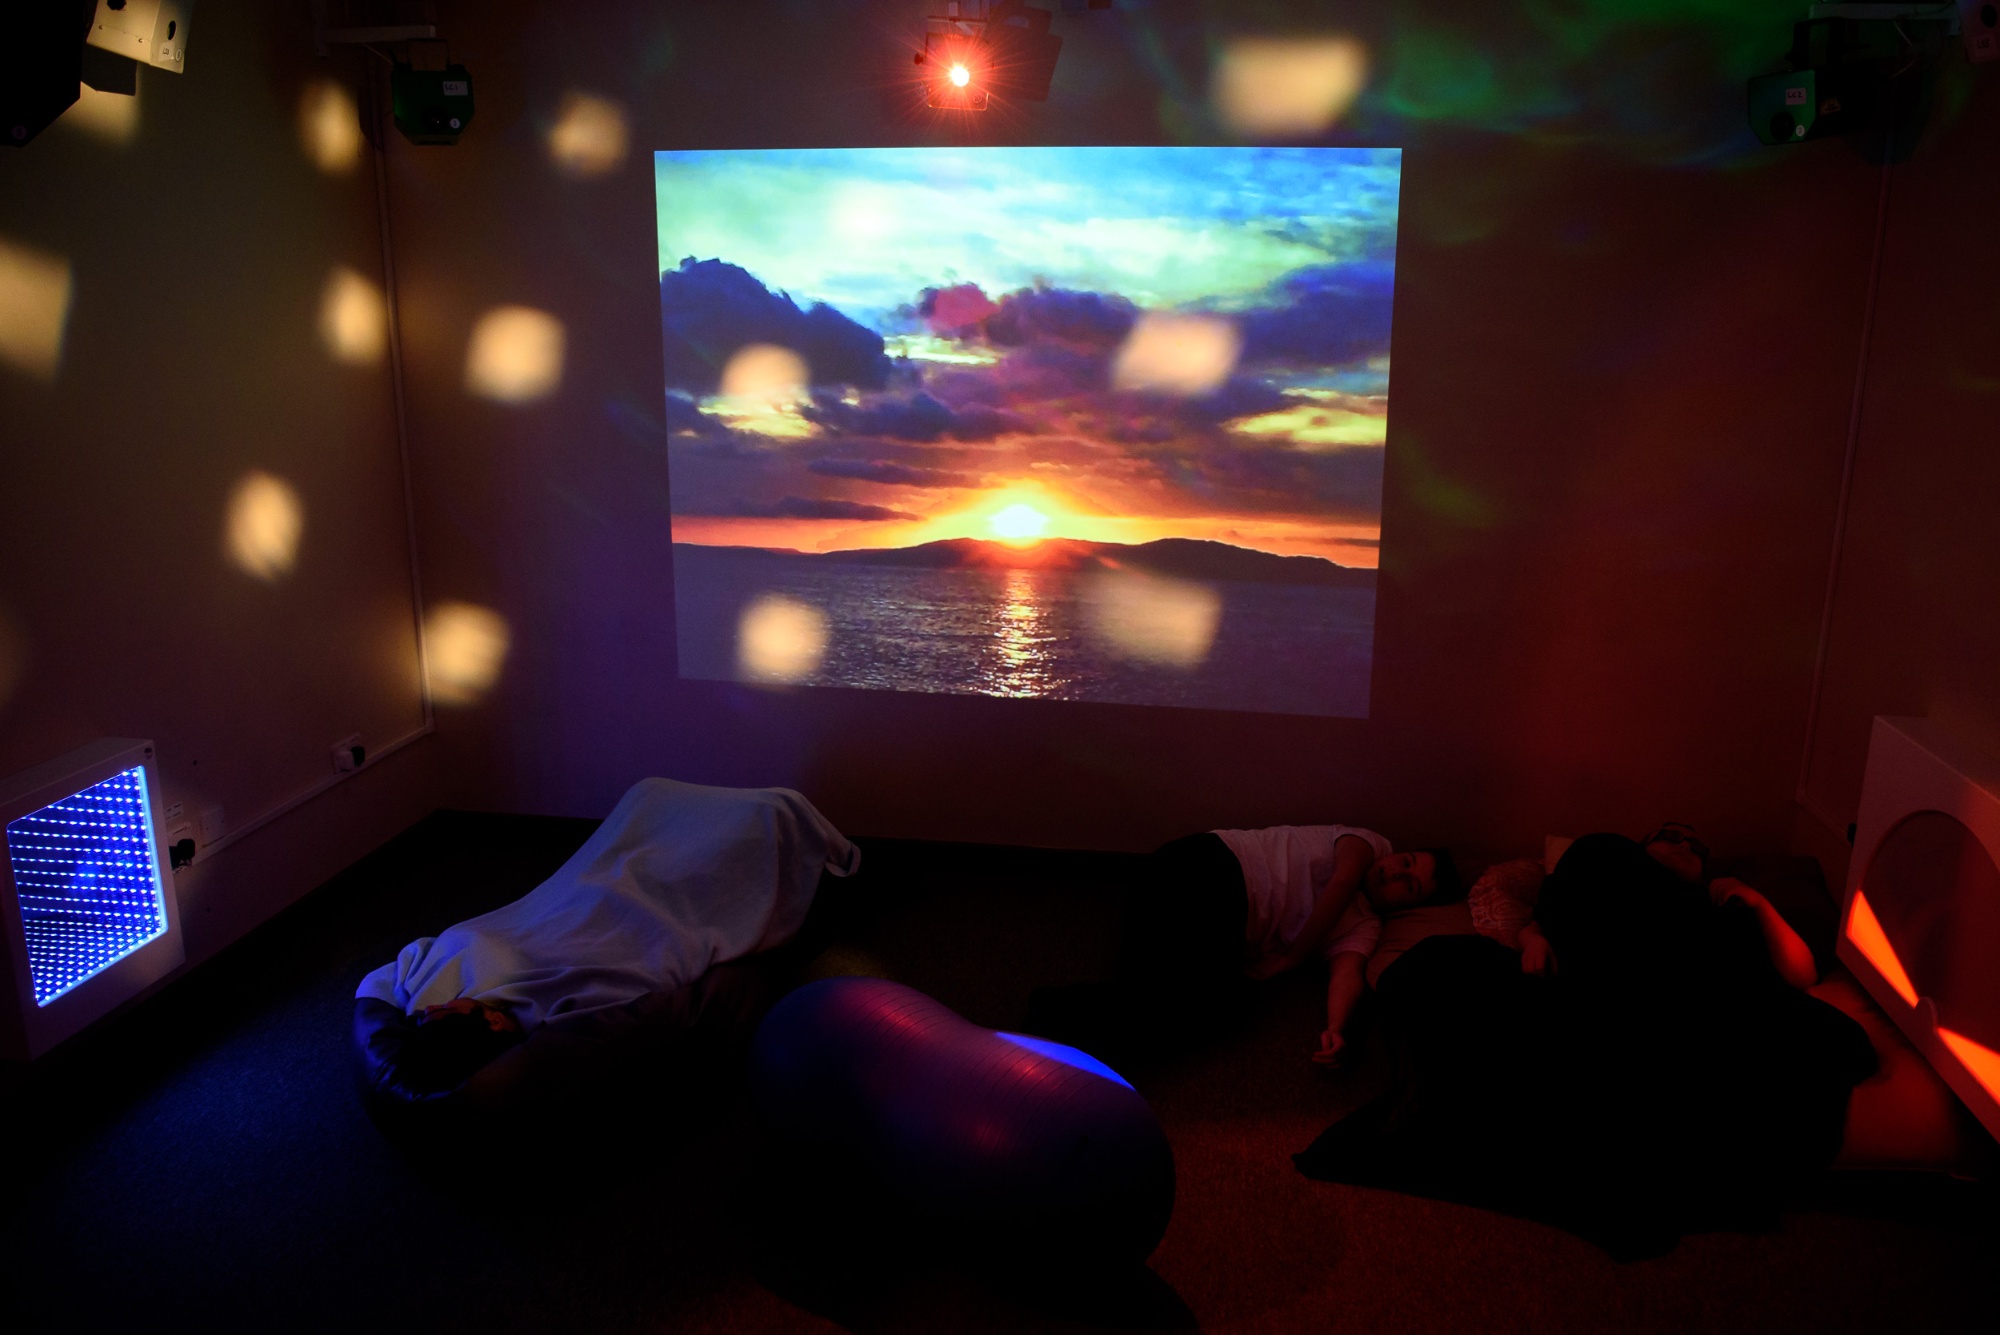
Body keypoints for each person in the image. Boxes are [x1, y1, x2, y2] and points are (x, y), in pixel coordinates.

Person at [1029, 824, 1461, 1064]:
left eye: (1409, 885)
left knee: (1210, 1007)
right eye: (1405, 863)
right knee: (1188, 1003)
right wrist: (1292, 958)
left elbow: (1347, 975)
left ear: (1407, 907)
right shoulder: (1368, 843)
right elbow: (1343, 881)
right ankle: (1057, 1029)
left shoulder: (1365, 926)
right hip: (1209, 869)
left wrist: (1335, 1028)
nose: (1395, 873)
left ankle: (1053, 1022)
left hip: (1213, 924)